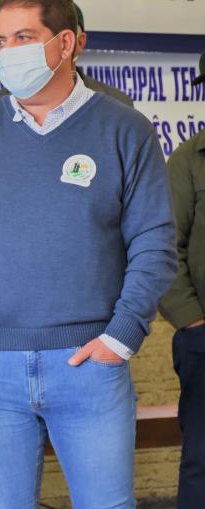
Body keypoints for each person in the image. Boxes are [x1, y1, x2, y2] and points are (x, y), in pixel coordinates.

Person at [0, 0, 177, 508]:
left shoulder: (125, 130)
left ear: (66, 43)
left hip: (89, 366)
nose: (8, 52)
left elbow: (154, 242)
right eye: (0, 41)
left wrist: (121, 336)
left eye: (23, 37)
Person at [158, 50, 205, 509]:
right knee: (202, 462)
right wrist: (193, 323)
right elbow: (165, 249)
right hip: (203, 340)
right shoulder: (188, 161)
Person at [0, 3, 133, 112]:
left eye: (24, 37)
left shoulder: (119, 105)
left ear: (76, 42)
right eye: (1, 42)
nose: (12, 50)